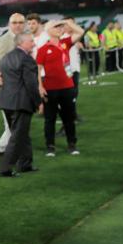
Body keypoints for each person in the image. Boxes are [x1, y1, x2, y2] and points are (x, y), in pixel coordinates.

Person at [36, 20, 84, 157]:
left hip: (67, 87)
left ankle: (72, 144)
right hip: (50, 88)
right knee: (49, 119)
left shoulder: (65, 43)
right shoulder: (43, 49)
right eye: (55, 26)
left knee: (69, 118)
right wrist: (40, 86)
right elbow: (38, 70)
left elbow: (80, 32)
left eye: (59, 26)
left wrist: (65, 22)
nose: (59, 28)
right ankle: (50, 146)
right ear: (48, 30)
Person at [0, 33, 41, 177]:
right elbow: (31, 84)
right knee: (17, 136)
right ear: (22, 42)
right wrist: (38, 102)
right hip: (20, 103)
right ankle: (5, 169)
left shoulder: (6, 57)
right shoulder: (27, 60)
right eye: (31, 41)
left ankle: (25, 164)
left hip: (6, 102)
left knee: (22, 134)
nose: (33, 43)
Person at [0, 13, 26, 157]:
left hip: (22, 88)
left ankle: (3, 149)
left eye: (20, 22)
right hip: (6, 89)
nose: (17, 25)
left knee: (16, 123)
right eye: (14, 22)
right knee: (13, 124)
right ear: (9, 24)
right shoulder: (3, 41)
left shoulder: (27, 39)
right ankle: (6, 151)